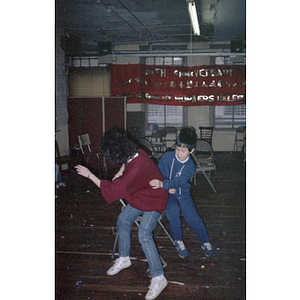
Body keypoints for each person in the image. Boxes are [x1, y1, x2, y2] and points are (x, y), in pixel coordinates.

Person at [75, 128, 169, 300]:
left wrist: (90, 175)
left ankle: (159, 277)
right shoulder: (136, 151)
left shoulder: (136, 169)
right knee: (123, 219)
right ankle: (124, 258)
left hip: (155, 199)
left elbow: (113, 190)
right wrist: (120, 170)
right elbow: (126, 166)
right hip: (141, 194)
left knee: (144, 234)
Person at [149, 127, 215, 258]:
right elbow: (158, 173)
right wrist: (166, 187)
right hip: (167, 193)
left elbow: (179, 182)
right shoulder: (168, 156)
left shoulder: (190, 166)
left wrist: (165, 184)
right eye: (177, 149)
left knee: (193, 218)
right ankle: (178, 240)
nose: (179, 153)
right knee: (172, 212)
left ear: (191, 151)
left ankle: (205, 241)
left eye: (183, 151)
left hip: (182, 193)